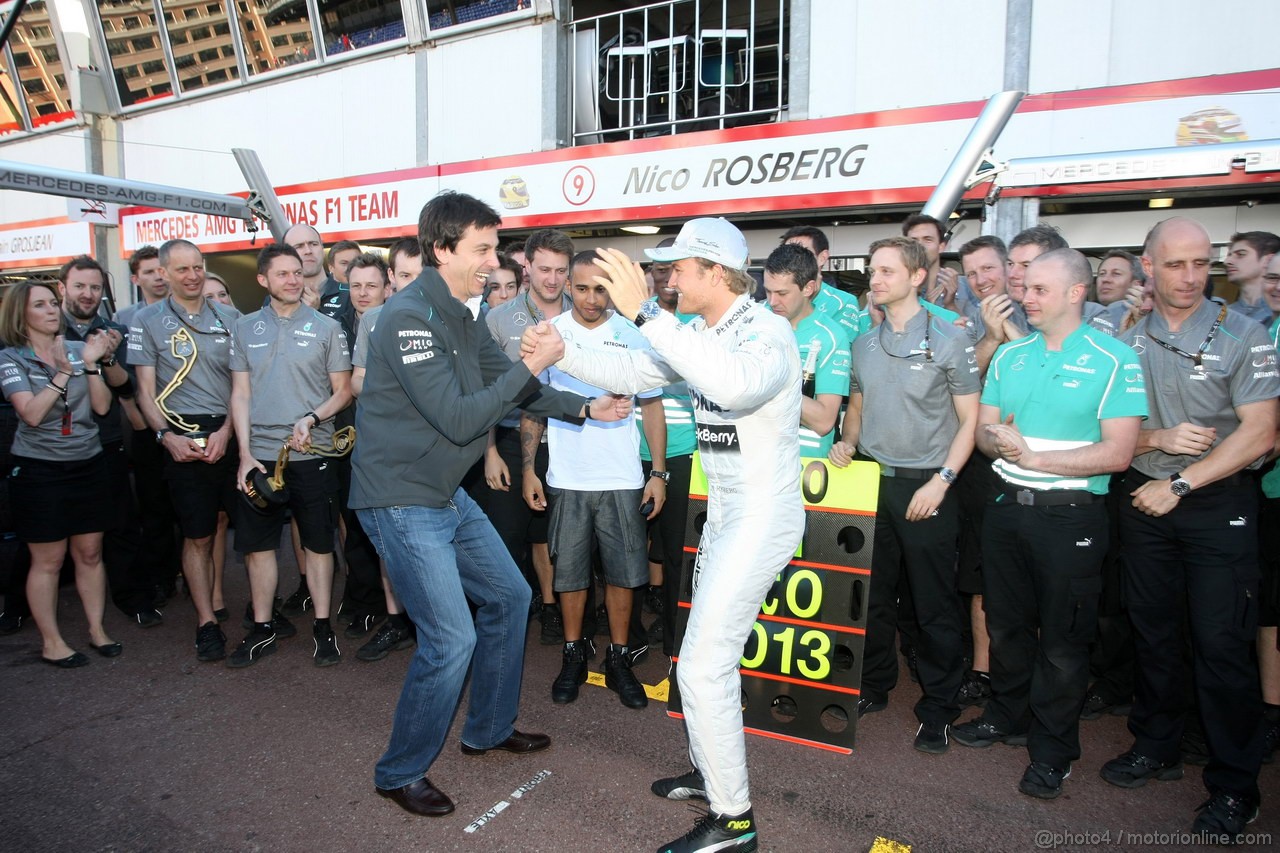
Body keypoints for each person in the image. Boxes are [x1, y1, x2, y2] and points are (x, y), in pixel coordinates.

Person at [524, 216, 803, 853]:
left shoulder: (769, 332)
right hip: (729, 512)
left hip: (761, 515)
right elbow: (633, 372)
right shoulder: (701, 330)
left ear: (714, 272)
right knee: (700, 662)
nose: (668, 277)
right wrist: (561, 352)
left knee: (704, 667)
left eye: (677, 268)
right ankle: (714, 775)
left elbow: (731, 383)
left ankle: (734, 822)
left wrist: (648, 311)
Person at [350, 191, 630, 818]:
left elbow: (505, 387)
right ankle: (399, 771)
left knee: (511, 596)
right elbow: (458, 417)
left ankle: (488, 729)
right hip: (400, 499)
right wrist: (533, 362)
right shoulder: (405, 317)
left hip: (443, 493)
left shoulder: (458, 312)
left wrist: (581, 407)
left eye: (493, 248)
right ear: (442, 248)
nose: (492, 260)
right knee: (449, 639)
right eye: (480, 249)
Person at [1105, 217, 1278, 842]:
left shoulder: (1244, 333)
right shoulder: (1125, 335)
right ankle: (1157, 745)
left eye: (1201, 264)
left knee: (1222, 645)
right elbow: (1111, 428)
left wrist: (1181, 483)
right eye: (1176, 264)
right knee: (1152, 633)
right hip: (1144, 499)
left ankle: (1236, 786)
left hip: (1212, 502)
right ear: (1148, 267)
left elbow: (1261, 433)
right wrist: (1154, 441)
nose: (1190, 276)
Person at [952, 249, 1147, 800]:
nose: (1025, 297)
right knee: (1008, 626)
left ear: (1076, 293)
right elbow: (986, 433)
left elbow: (1118, 453)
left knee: (1063, 644)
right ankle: (1006, 716)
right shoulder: (1011, 357)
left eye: (1038, 288)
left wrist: (1035, 458)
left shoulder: (1114, 359)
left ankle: (1054, 752)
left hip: (1071, 517)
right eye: (1026, 287)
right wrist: (1000, 441)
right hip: (1007, 509)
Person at [827, 236, 979, 753]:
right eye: (873, 271)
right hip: (872, 480)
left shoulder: (950, 338)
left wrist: (943, 481)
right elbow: (857, 404)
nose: (876, 279)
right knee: (870, 597)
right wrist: (847, 442)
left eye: (888, 271)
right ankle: (874, 685)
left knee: (934, 605)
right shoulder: (864, 343)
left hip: (928, 487)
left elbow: (970, 421)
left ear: (917, 278)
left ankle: (939, 704)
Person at [522, 250, 666, 708]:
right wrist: (529, 468)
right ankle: (573, 655)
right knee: (570, 574)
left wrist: (657, 473)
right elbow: (533, 405)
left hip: (622, 476)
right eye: (581, 287)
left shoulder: (632, 332)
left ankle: (619, 658)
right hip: (567, 477)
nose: (590, 297)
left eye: (600, 288)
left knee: (625, 575)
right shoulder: (550, 335)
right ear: (568, 286)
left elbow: (652, 406)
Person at [228, 244, 352, 668]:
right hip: (260, 459)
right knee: (258, 547)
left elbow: (344, 390)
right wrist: (243, 455)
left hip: (313, 453)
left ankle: (322, 626)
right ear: (263, 280)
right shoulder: (244, 328)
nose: (292, 280)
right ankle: (262, 628)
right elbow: (240, 394)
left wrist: (313, 418)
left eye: (297, 273)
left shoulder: (327, 327)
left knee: (319, 543)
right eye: (282, 274)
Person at [130, 239, 242, 662]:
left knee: (225, 521)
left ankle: (236, 604)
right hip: (178, 435)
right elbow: (144, 391)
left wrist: (229, 431)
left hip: (227, 431)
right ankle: (206, 623)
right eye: (182, 270)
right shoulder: (147, 320)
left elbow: (240, 386)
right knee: (196, 534)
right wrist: (167, 438)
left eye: (198, 267)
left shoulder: (230, 317)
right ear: (164, 273)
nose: (193, 276)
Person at [0, 282, 122, 667]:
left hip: (88, 463)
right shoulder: (11, 359)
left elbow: (102, 407)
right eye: (41, 305)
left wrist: (89, 365)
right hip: (40, 471)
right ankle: (52, 642)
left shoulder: (76, 349)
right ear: (22, 315)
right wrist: (62, 375)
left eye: (53, 303)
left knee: (89, 552)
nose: (52, 310)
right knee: (48, 560)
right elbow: (32, 414)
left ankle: (97, 630)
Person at [57, 257, 160, 629]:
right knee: (45, 535)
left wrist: (108, 355)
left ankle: (134, 599)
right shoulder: (45, 328)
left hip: (107, 441)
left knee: (121, 525)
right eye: (80, 286)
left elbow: (127, 387)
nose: (88, 294)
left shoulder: (115, 329)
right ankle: (19, 605)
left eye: (95, 288)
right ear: (62, 288)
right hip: (55, 445)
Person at [484, 229, 575, 642]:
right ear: (528, 267)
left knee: (556, 539)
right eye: (544, 269)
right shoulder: (499, 319)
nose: (552, 279)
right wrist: (488, 452)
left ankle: (553, 608)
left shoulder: (585, 313)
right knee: (507, 536)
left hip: (574, 441)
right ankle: (510, 614)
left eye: (560, 270)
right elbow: (481, 392)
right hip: (509, 442)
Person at [762, 242, 849, 459]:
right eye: (767, 291)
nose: (772, 301)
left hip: (804, 465)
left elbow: (824, 421)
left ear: (808, 288)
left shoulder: (831, 336)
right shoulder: (754, 321)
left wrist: (764, 383)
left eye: (782, 293)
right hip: (755, 461)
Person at [1224, 230, 1279, 325]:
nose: (1227, 261)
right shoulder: (1221, 317)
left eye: (1241, 254)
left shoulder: (1275, 313)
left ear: (1268, 260)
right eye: (1229, 255)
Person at [115, 245, 168, 328]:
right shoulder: (123, 318)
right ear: (135, 279)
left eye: (161, 270)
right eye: (149, 272)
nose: (158, 277)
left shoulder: (189, 311)